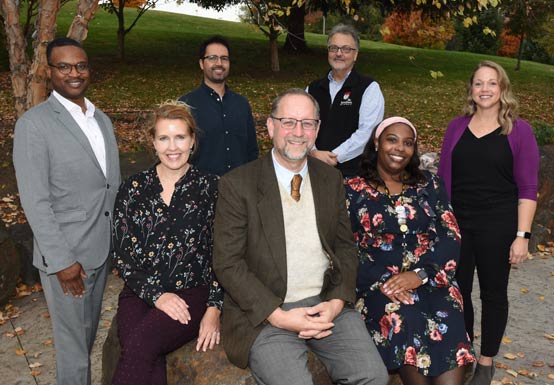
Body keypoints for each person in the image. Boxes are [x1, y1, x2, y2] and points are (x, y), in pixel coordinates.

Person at [213, 88, 388, 385]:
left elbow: (345, 247)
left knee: (373, 377)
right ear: (270, 126)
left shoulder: (329, 178)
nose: (298, 131)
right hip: (266, 312)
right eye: (288, 122)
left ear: (317, 129)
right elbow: (227, 263)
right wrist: (278, 315)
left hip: (325, 304)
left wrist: (336, 302)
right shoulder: (237, 185)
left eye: (307, 123)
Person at [13, 37, 121, 385]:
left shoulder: (101, 119)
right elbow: (35, 200)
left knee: (84, 341)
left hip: (100, 250)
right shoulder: (34, 125)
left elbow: (108, 186)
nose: (74, 73)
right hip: (68, 259)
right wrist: (61, 262)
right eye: (64, 66)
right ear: (49, 71)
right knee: (74, 351)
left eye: (81, 65)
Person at [345, 117, 476, 385]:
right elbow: (344, 246)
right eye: (392, 139)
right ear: (377, 142)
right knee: (404, 315)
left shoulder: (430, 185)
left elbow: (450, 234)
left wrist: (421, 274)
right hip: (382, 287)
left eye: (408, 143)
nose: (399, 148)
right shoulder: (351, 190)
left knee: (448, 311)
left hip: (431, 279)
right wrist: (385, 280)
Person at [438, 61, 539, 385]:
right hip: (458, 223)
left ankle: (486, 362)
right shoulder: (456, 127)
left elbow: (527, 188)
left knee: (493, 293)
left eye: (491, 83)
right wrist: (441, 223)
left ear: (502, 89)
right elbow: (443, 179)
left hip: (498, 223)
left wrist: (522, 235)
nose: (484, 89)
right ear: (471, 89)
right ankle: (465, 352)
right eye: (478, 83)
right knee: (459, 291)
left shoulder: (519, 130)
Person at [111, 101, 223, 385]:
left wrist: (214, 309)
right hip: (139, 291)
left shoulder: (212, 188)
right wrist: (156, 295)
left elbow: (225, 254)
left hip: (191, 292)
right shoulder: (133, 188)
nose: (172, 147)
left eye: (180, 137)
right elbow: (123, 255)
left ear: (192, 140)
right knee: (145, 353)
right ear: (153, 141)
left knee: (140, 345)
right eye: (164, 138)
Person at [307, 23, 384, 177]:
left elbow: (367, 132)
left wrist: (333, 157)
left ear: (355, 55)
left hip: (353, 175)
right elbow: (301, 125)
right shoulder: (312, 88)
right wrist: (313, 152)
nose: (339, 53)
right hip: (312, 170)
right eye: (334, 48)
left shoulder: (369, 88)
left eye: (346, 49)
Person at [179, 36, 259, 176]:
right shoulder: (186, 105)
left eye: (224, 58)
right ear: (201, 63)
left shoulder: (242, 104)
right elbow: (177, 151)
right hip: (200, 191)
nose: (219, 63)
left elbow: (251, 151)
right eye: (212, 58)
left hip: (238, 189)